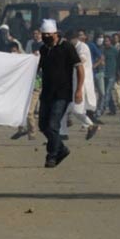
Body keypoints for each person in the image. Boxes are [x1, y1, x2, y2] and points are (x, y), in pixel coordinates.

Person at [38, 19, 84, 168]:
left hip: (62, 93)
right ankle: (62, 148)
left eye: (48, 35)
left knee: (53, 125)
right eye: (43, 35)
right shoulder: (43, 49)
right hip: (46, 93)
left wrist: (79, 90)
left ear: (55, 34)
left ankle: (52, 155)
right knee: (43, 125)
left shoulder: (67, 47)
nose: (45, 37)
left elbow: (79, 68)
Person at [59, 30, 99, 141]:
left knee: (76, 110)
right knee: (63, 109)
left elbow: (80, 60)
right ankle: (62, 133)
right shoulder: (71, 47)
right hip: (73, 82)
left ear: (75, 38)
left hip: (82, 84)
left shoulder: (83, 47)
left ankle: (91, 125)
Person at [101, 35, 119, 115]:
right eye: (105, 41)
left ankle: (102, 108)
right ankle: (113, 109)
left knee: (107, 92)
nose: (106, 42)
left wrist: (118, 74)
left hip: (112, 74)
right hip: (104, 73)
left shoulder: (114, 50)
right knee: (108, 93)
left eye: (107, 41)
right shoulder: (102, 50)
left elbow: (119, 61)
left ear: (110, 41)